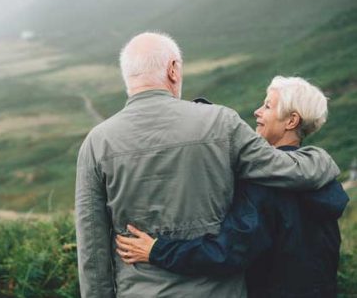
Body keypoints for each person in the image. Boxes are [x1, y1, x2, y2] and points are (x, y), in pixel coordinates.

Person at [75, 32, 340, 298]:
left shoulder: (96, 143)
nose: (259, 112)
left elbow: (92, 249)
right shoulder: (221, 123)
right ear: (173, 70)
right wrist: (321, 159)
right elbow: (286, 169)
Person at [114, 76, 349, 297]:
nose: (257, 111)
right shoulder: (322, 180)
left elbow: (227, 253)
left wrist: (156, 250)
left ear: (291, 121)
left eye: (267, 106)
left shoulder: (265, 185)